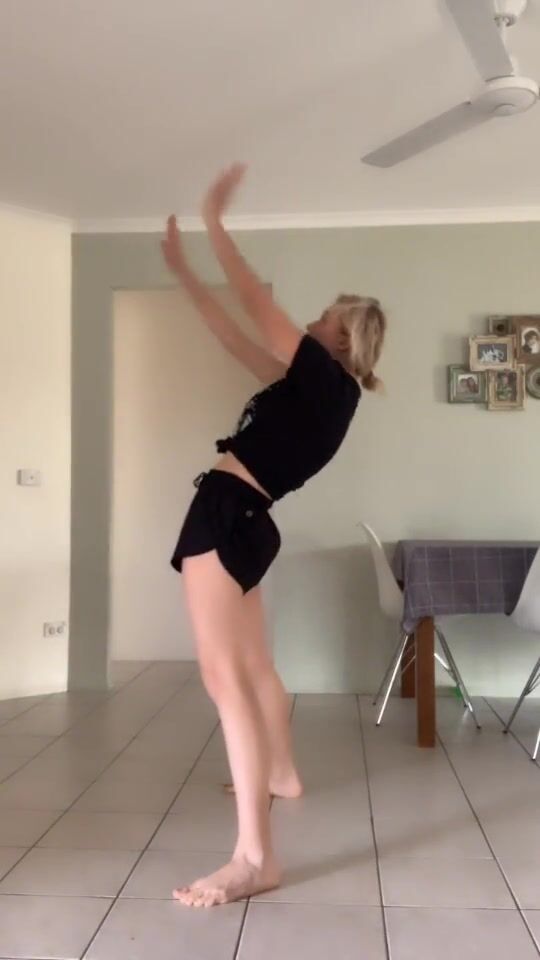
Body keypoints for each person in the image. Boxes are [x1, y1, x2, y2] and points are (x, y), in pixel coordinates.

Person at [161, 164, 387, 908]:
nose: (312, 320)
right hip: (245, 520)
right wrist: (186, 273)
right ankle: (282, 774)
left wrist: (215, 224)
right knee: (253, 668)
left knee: (225, 679)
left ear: (340, 338)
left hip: (229, 515)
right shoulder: (313, 393)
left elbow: (257, 307)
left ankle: (254, 858)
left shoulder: (326, 382)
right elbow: (234, 333)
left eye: (324, 316)